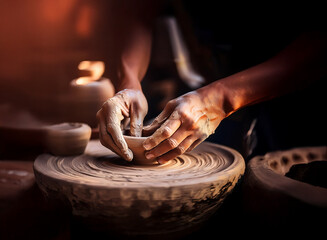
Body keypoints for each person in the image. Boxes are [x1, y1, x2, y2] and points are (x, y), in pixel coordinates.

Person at [96, 2, 327, 164]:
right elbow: (139, 12)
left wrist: (220, 98)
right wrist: (129, 82)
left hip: (298, 100)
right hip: (210, 90)